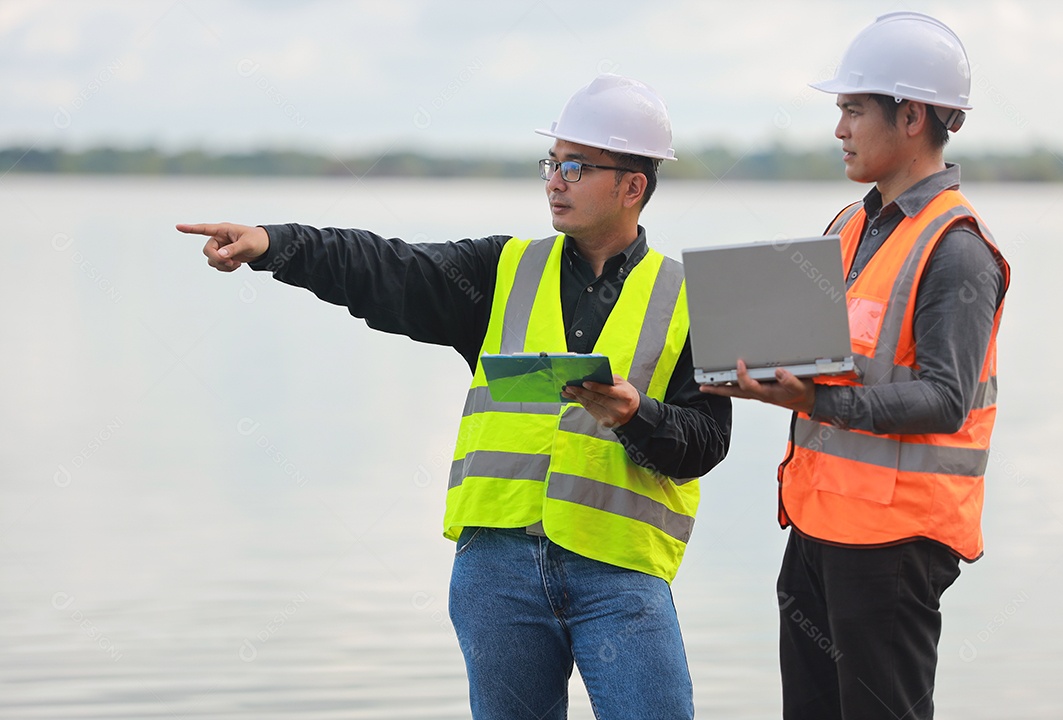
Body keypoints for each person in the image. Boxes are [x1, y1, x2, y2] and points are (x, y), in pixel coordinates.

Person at [179, 74, 731, 719]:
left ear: (632, 186)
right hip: (497, 571)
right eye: (552, 162)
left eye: (576, 167)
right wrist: (277, 245)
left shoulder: (691, 298)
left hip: (621, 575)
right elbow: (388, 269)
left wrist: (638, 417)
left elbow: (706, 442)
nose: (554, 181)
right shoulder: (500, 270)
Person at [701, 12, 1010, 720]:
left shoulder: (957, 248)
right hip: (817, 529)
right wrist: (753, 367)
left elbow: (945, 400)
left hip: (894, 545)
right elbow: (834, 360)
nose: (839, 129)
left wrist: (814, 402)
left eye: (853, 110)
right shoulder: (849, 225)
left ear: (913, 116)